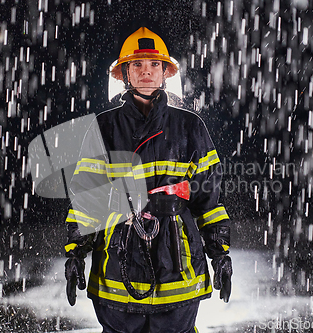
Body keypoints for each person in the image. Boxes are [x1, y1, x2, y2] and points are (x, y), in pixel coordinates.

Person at [64, 27, 232, 333]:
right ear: (125, 73)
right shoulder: (104, 127)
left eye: (155, 64)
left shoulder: (190, 126)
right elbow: (86, 198)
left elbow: (208, 198)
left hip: (177, 264)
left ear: (165, 72)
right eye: (137, 64)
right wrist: (75, 251)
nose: (146, 71)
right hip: (118, 262)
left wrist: (219, 252)